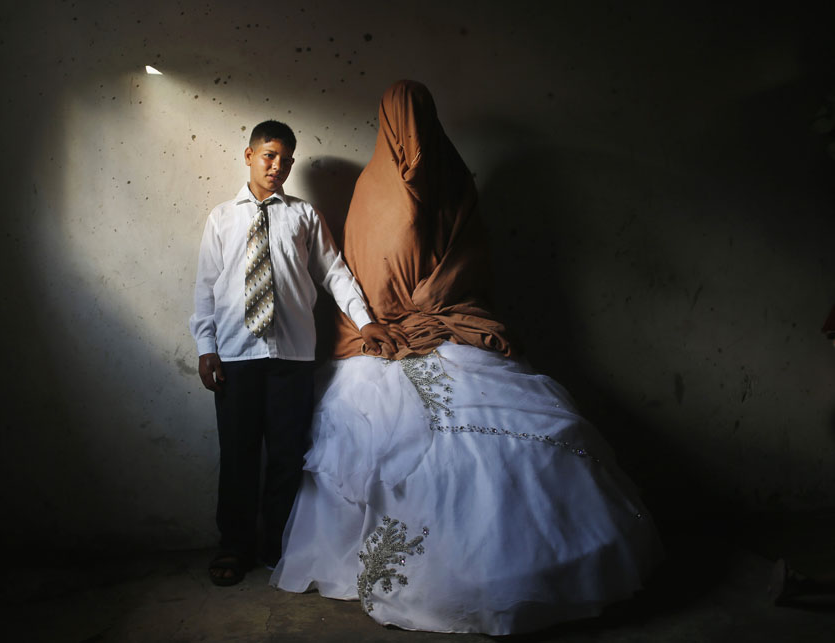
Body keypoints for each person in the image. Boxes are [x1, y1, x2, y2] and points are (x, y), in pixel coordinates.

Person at [270, 82, 662, 634]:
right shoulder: (371, 192)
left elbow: (469, 266)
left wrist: (431, 311)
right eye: (402, 123)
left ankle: (544, 567)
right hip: (385, 339)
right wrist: (389, 322)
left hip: (454, 325)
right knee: (390, 439)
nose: (412, 136)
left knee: (528, 439)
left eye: (420, 121)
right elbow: (355, 276)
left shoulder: (454, 184)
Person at [189, 120, 400, 587]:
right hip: (237, 356)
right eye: (268, 156)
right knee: (239, 455)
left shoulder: (304, 215)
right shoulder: (222, 218)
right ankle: (234, 546)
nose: (277, 166)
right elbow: (206, 288)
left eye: (285, 159)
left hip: (293, 357)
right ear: (248, 156)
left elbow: (335, 273)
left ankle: (278, 546)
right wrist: (206, 348)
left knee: (287, 456)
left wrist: (364, 320)